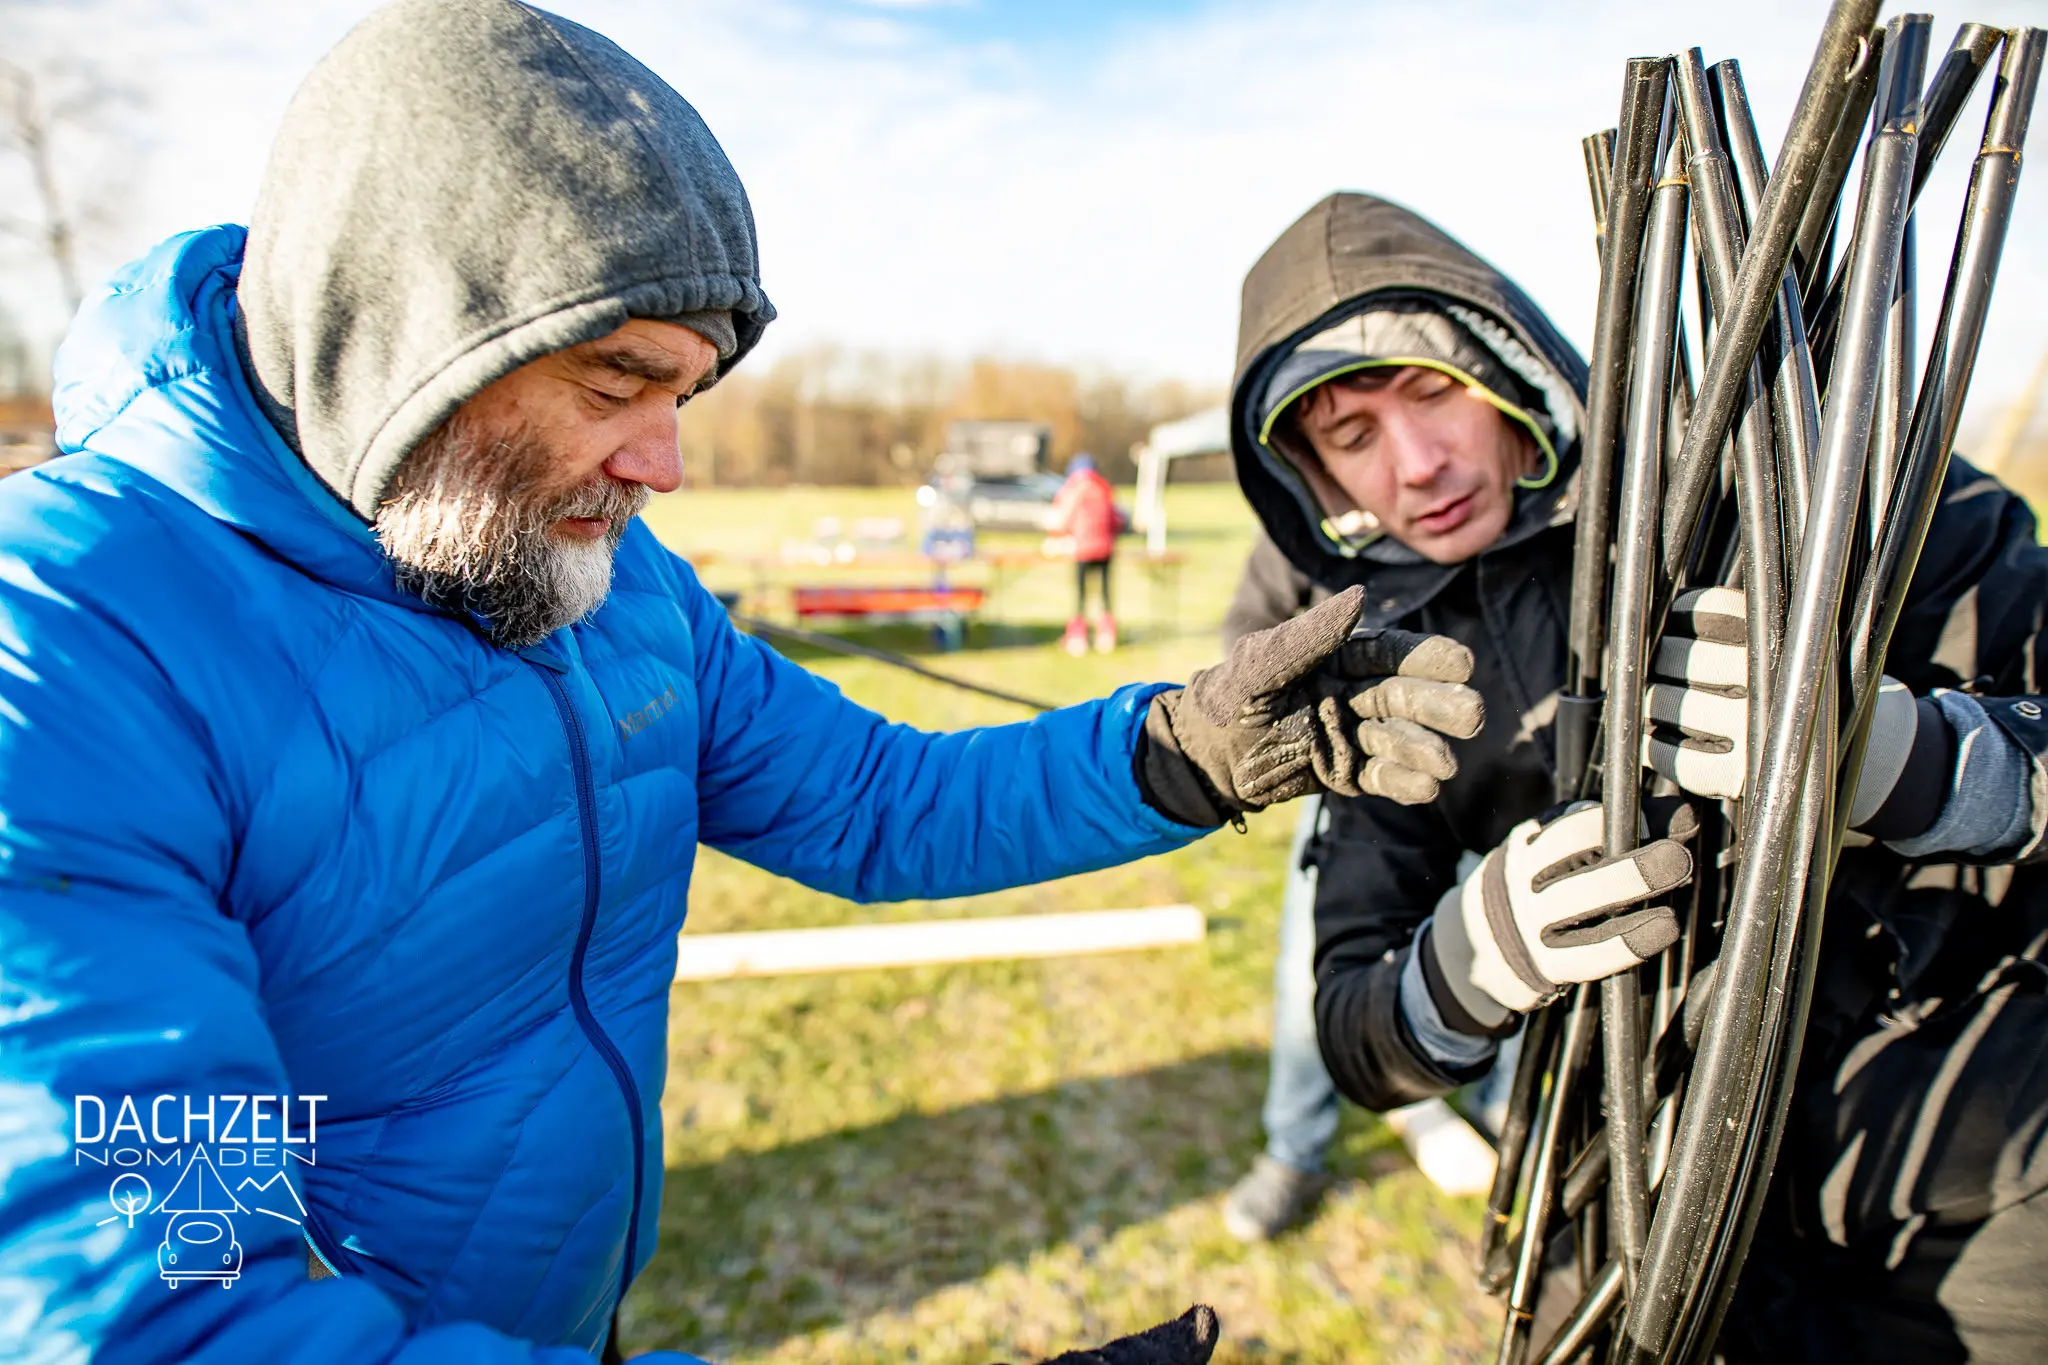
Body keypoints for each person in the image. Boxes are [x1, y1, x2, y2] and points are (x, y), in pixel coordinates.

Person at [0, 8, 1493, 1363]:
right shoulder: (64, 643)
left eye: (684, 394)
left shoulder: (604, 576)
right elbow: (161, 1320)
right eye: (614, 384)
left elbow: (870, 798)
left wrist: (1183, 753)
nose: (667, 462)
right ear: (406, 337)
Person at [1225, 190, 2048, 1361]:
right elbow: (1352, 1023)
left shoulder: (1796, 479)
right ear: (1314, 480)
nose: (1413, 466)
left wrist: (1913, 764)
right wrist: (1462, 970)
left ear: (1508, 370)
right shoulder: (1381, 673)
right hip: (1639, 1206)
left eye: (1429, 390)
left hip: (1985, 1154)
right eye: (1351, 436)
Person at [1049, 452, 1123, 654]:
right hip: (1106, 548)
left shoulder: (1071, 489)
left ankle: (1077, 639)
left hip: (1082, 549)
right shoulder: (1104, 487)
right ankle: (1106, 637)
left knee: (1081, 594)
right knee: (1105, 593)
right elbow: (1117, 519)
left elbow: (1061, 520)